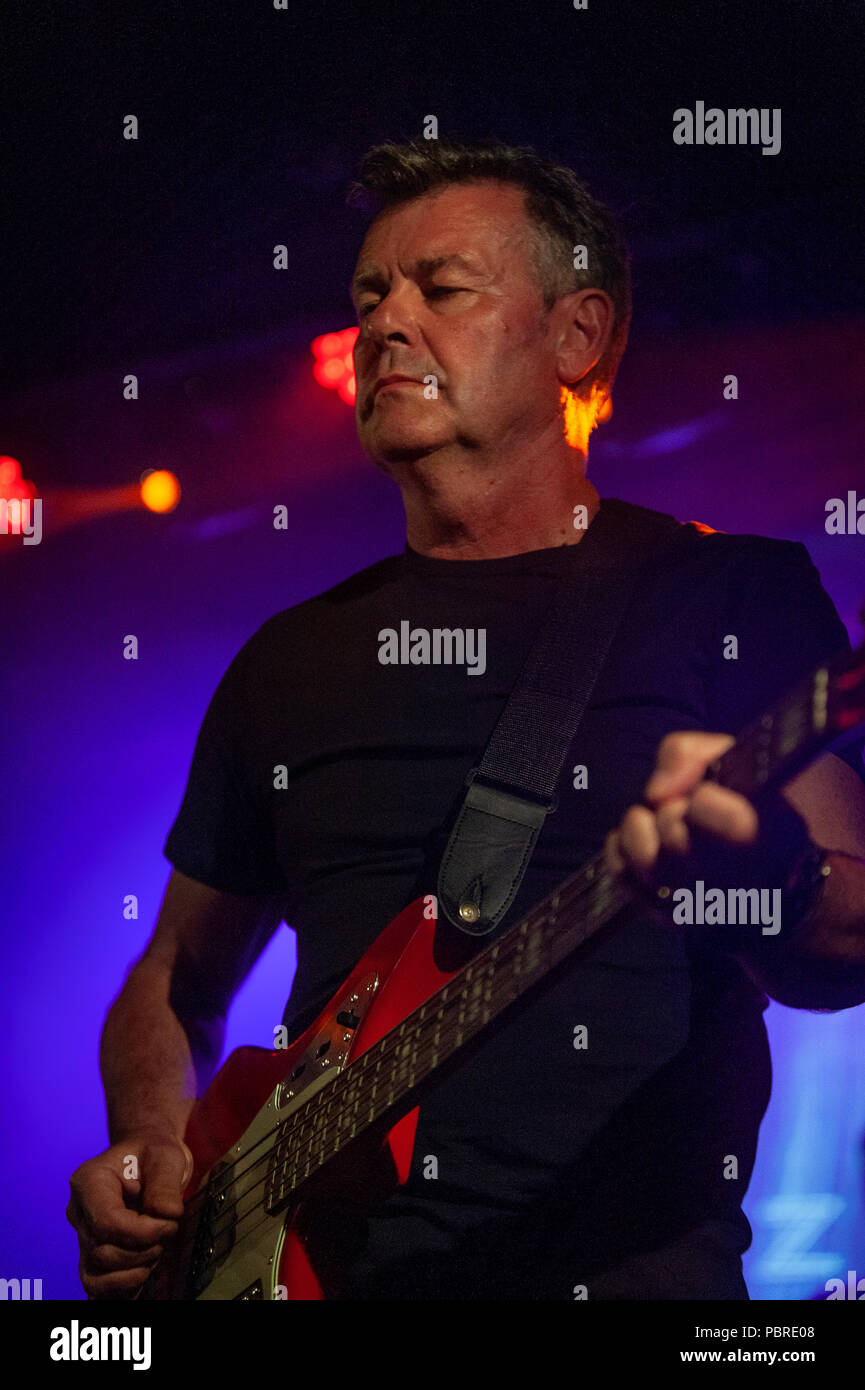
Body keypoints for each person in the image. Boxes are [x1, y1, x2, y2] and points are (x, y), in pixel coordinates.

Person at [67, 138, 865, 1300]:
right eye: (369, 296)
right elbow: (174, 977)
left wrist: (770, 868)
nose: (385, 324)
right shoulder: (287, 659)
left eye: (440, 289)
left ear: (575, 336)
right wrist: (150, 1146)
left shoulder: (726, 595)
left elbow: (846, 945)